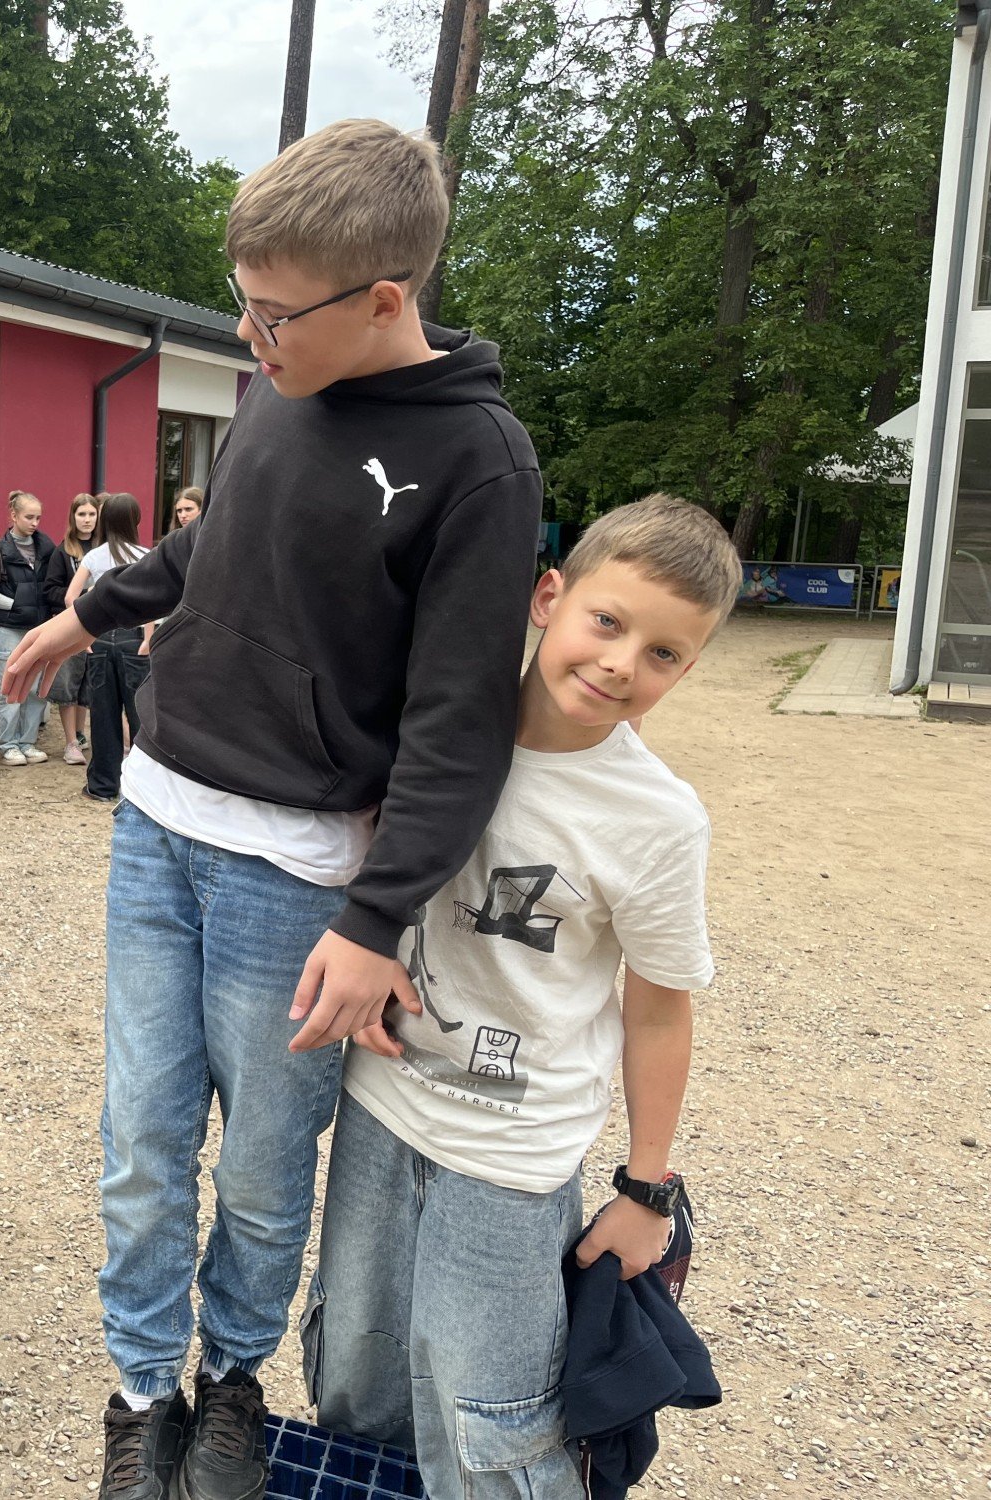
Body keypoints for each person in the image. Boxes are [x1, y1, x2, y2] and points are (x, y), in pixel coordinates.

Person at [1, 119, 543, 1500]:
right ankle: (142, 1393)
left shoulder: (479, 461)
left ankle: (232, 1383)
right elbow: (214, 541)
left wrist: (374, 920)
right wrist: (87, 614)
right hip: (157, 828)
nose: (250, 337)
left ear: (383, 298)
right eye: (240, 303)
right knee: (141, 1143)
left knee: (258, 1165)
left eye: (273, 313)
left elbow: (458, 723)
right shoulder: (279, 387)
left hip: (296, 874)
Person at [305, 495, 739, 1500]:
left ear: (685, 672)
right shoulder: (432, 720)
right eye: (606, 621)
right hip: (378, 1106)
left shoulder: (658, 820)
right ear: (548, 597)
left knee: (489, 1425)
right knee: (356, 1381)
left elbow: (659, 1009)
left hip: (512, 1156)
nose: (622, 663)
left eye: (662, 654)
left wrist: (645, 1191)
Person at [64, 493, 150, 803]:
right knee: (141, 715)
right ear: (135, 519)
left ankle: (102, 786)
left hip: (99, 639)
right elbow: (151, 603)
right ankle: (144, 789)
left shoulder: (94, 557)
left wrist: (84, 635)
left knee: (103, 714)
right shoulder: (145, 556)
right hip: (133, 640)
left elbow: (70, 598)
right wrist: (148, 638)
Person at [0, 490, 57, 766]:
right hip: (9, 629)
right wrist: (18, 605)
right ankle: (8, 745)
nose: (35, 523)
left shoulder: (46, 548)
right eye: (29, 517)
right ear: (14, 515)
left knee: (35, 688)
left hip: (39, 629)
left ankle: (27, 742)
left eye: (38, 517)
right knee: (10, 687)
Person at [45, 493, 101, 764]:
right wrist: (80, 597)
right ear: (73, 517)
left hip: (99, 627)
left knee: (86, 687)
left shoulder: (104, 548)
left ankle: (80, 734)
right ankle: (69, 743)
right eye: (82, 514)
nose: (87, 520)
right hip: (70, 626)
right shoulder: (63, 551)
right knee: (67, 685)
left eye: (91, 514)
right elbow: (51, 590)